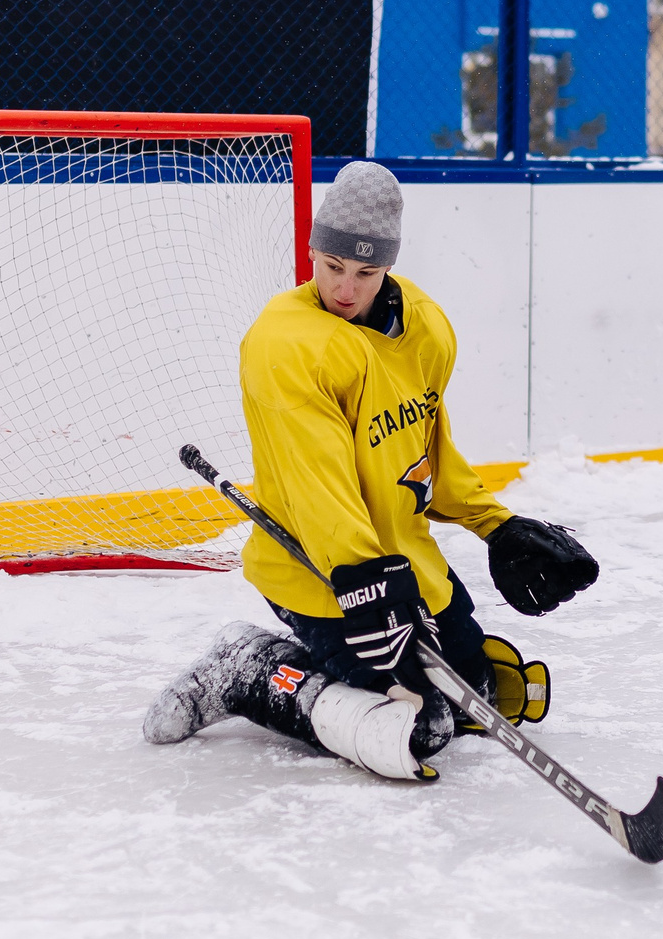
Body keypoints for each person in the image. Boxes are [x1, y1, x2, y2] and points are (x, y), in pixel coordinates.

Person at [142, 162, 599, 781]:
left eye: (365, 273)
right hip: (322, 572)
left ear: (388, 267)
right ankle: (247, 669)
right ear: (312, 250)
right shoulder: (286, 345)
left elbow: (424, 449)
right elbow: (318, 487)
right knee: (420, 727)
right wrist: (366, 585)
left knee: (479, 695)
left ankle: (376, 654)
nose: (345, 288)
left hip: (408, 566)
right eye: (332, 266)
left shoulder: (425, 325)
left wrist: (494, 523)